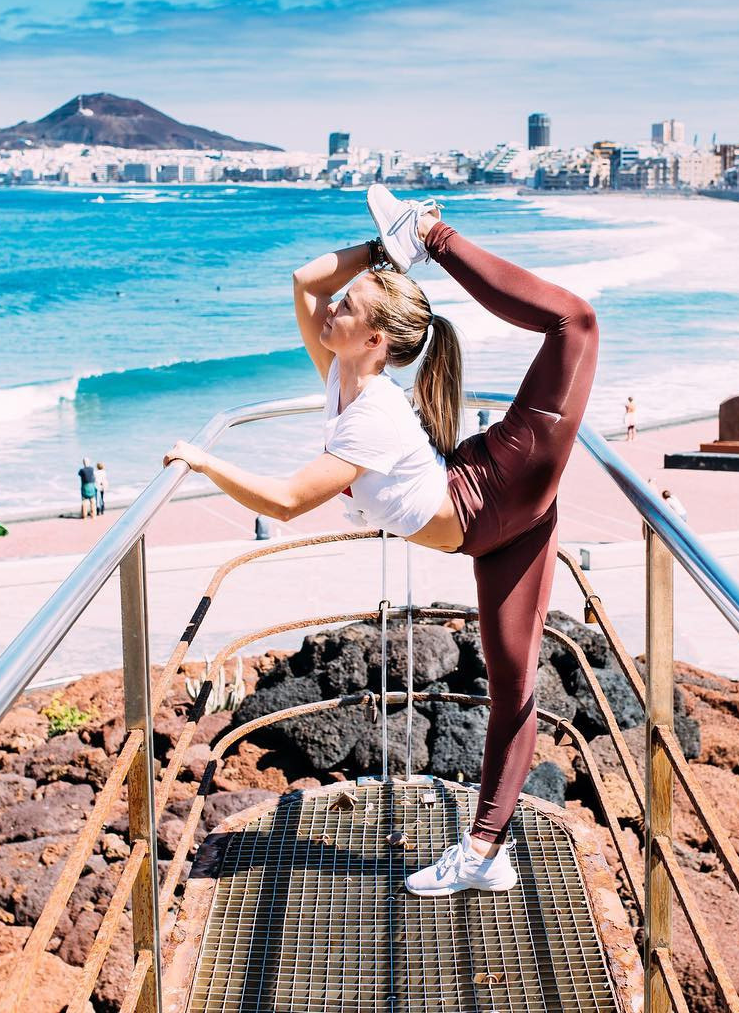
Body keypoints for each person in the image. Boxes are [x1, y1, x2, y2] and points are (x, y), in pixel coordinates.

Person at [164, 186, 598, 897]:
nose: (332, 307)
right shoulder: (343, 373)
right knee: (512, 682)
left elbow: (285, 500)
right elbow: (304, 281)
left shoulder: (372, 413)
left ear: (374, 340)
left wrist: (203, 461)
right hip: (491, 528)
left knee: (576, 322)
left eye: (350, 305)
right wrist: (381, 254)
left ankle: (438, 234)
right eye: (343, 304)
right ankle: (487, 857)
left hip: (506, 487)